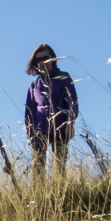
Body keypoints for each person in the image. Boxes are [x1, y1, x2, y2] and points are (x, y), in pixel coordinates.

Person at [25, 43, 78, 181]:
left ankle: (60, 195)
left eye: (46, 58)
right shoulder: (34, 84)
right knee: (37, 166)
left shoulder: (64, 78)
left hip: (61, 128)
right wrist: (30, 133)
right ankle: (40, 197)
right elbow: (29, 111)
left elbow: (73, 103)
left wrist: (70, 123)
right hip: (40, 130)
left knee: (59, 166)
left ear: (53, 59)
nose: (42, 62)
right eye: (38, 59)